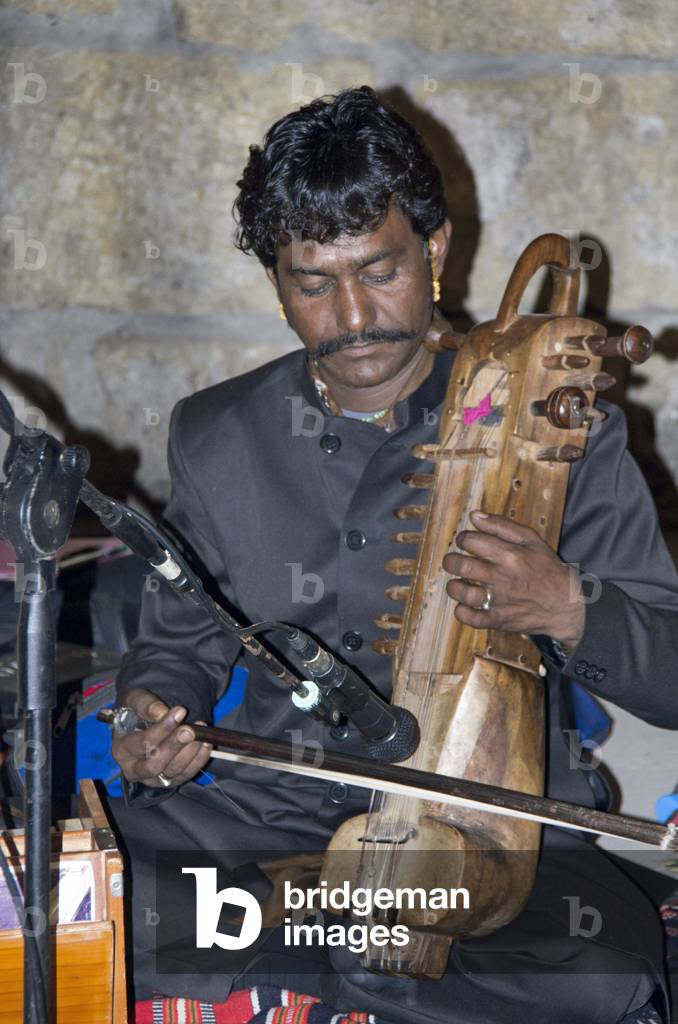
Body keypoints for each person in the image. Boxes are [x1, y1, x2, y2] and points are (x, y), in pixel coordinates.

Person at [106, 86, 678, 1024]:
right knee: (81, 902)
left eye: (380, 270)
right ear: (275, 280)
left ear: (436, 251)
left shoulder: (556, 427)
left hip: (496, 841)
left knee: (591, 976)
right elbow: (176, 650)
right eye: (313, 283)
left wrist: (569, 607)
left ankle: (331, 971)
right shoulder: (217, 435)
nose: (353, 315)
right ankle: (354, 970)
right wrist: (150, 718)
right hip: (266, 824)